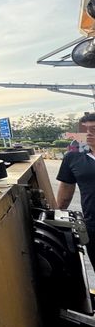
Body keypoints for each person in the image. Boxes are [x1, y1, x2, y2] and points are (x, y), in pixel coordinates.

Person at [57, 113, 95, 264]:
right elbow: (66, 186)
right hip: (93, 225)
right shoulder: (73, 157)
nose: (89, 134)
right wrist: (58, 212)